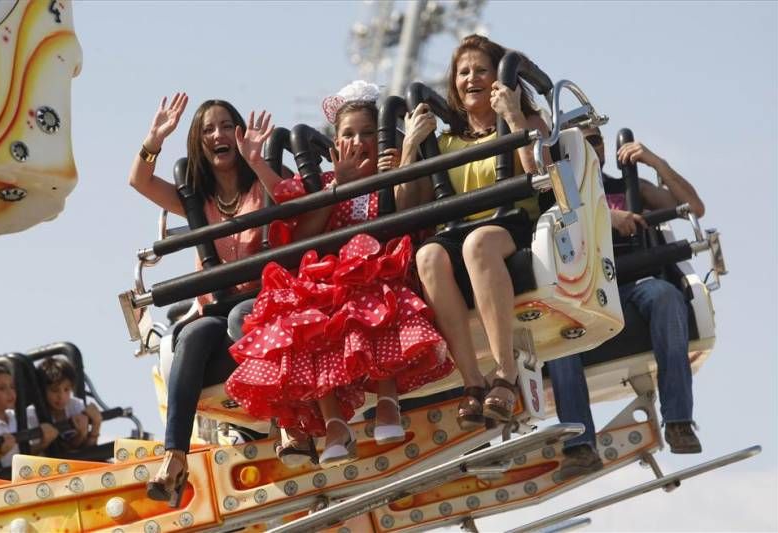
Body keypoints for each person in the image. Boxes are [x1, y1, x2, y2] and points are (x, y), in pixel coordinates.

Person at [225, 81, 454, 468]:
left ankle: (387, 401)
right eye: (348, 134)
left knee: (369, 294)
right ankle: (334, 422)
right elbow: (292, 210)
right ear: (335, 145)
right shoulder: (331, 181)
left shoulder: (396, 167)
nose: (358, 141)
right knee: (302, 311)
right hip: (330, 277)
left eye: (368, 133)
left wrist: (408, 154)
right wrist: (261, 165)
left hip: (383, 265)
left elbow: (406, 214)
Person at [399, 35, 551, 430]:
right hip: (457, 229)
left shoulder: (528, 122)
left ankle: (505, 374)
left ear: (499, 77)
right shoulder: (445, 141)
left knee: (477, 243)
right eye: (463, 72)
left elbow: (543, 176)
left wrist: (515, 119)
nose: (471, 79)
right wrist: (410, 147)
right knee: (428, 255)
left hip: (513, 222)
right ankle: (472, 383)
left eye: (481, 70)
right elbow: (404, 205)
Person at [128, 94, 267, 505]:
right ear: (199, 143)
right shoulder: (198, 202)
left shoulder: (262, 183)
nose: (218, 135)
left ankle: (290, 419)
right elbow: (140, 180)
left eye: (226, 126)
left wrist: (260, 162)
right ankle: (174, 457)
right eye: (208, 129)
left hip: (261, 312)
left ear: (239, 133)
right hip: (219, 323)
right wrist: (153, 140)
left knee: (244, 313)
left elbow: (294, 203)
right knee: (193, 334)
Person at [548, 125, 706, 481]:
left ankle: (679, 422)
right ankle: (579, 445)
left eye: (596, 141)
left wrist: (656, 162)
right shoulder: (557, 196)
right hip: (582, 297)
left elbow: (693, 207)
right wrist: (603, 217)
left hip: (634, 287)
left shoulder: (626, 189)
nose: (592, 148)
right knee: (557, 337)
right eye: (583, 143)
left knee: (665, 295)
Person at [0, 364, 57, 472]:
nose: (10, 392)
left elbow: (22, 453)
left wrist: (43, 443)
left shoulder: (19, 417)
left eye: (12, 387)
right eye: (1, 388)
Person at [26, 357, 103, 452]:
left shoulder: (75, 405)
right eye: (54, 390)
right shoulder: (32, 414)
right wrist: (44, 443)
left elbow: (88, 451)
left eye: (66, 389)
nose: (61, 396)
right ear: (42, 391)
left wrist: (95, 424)